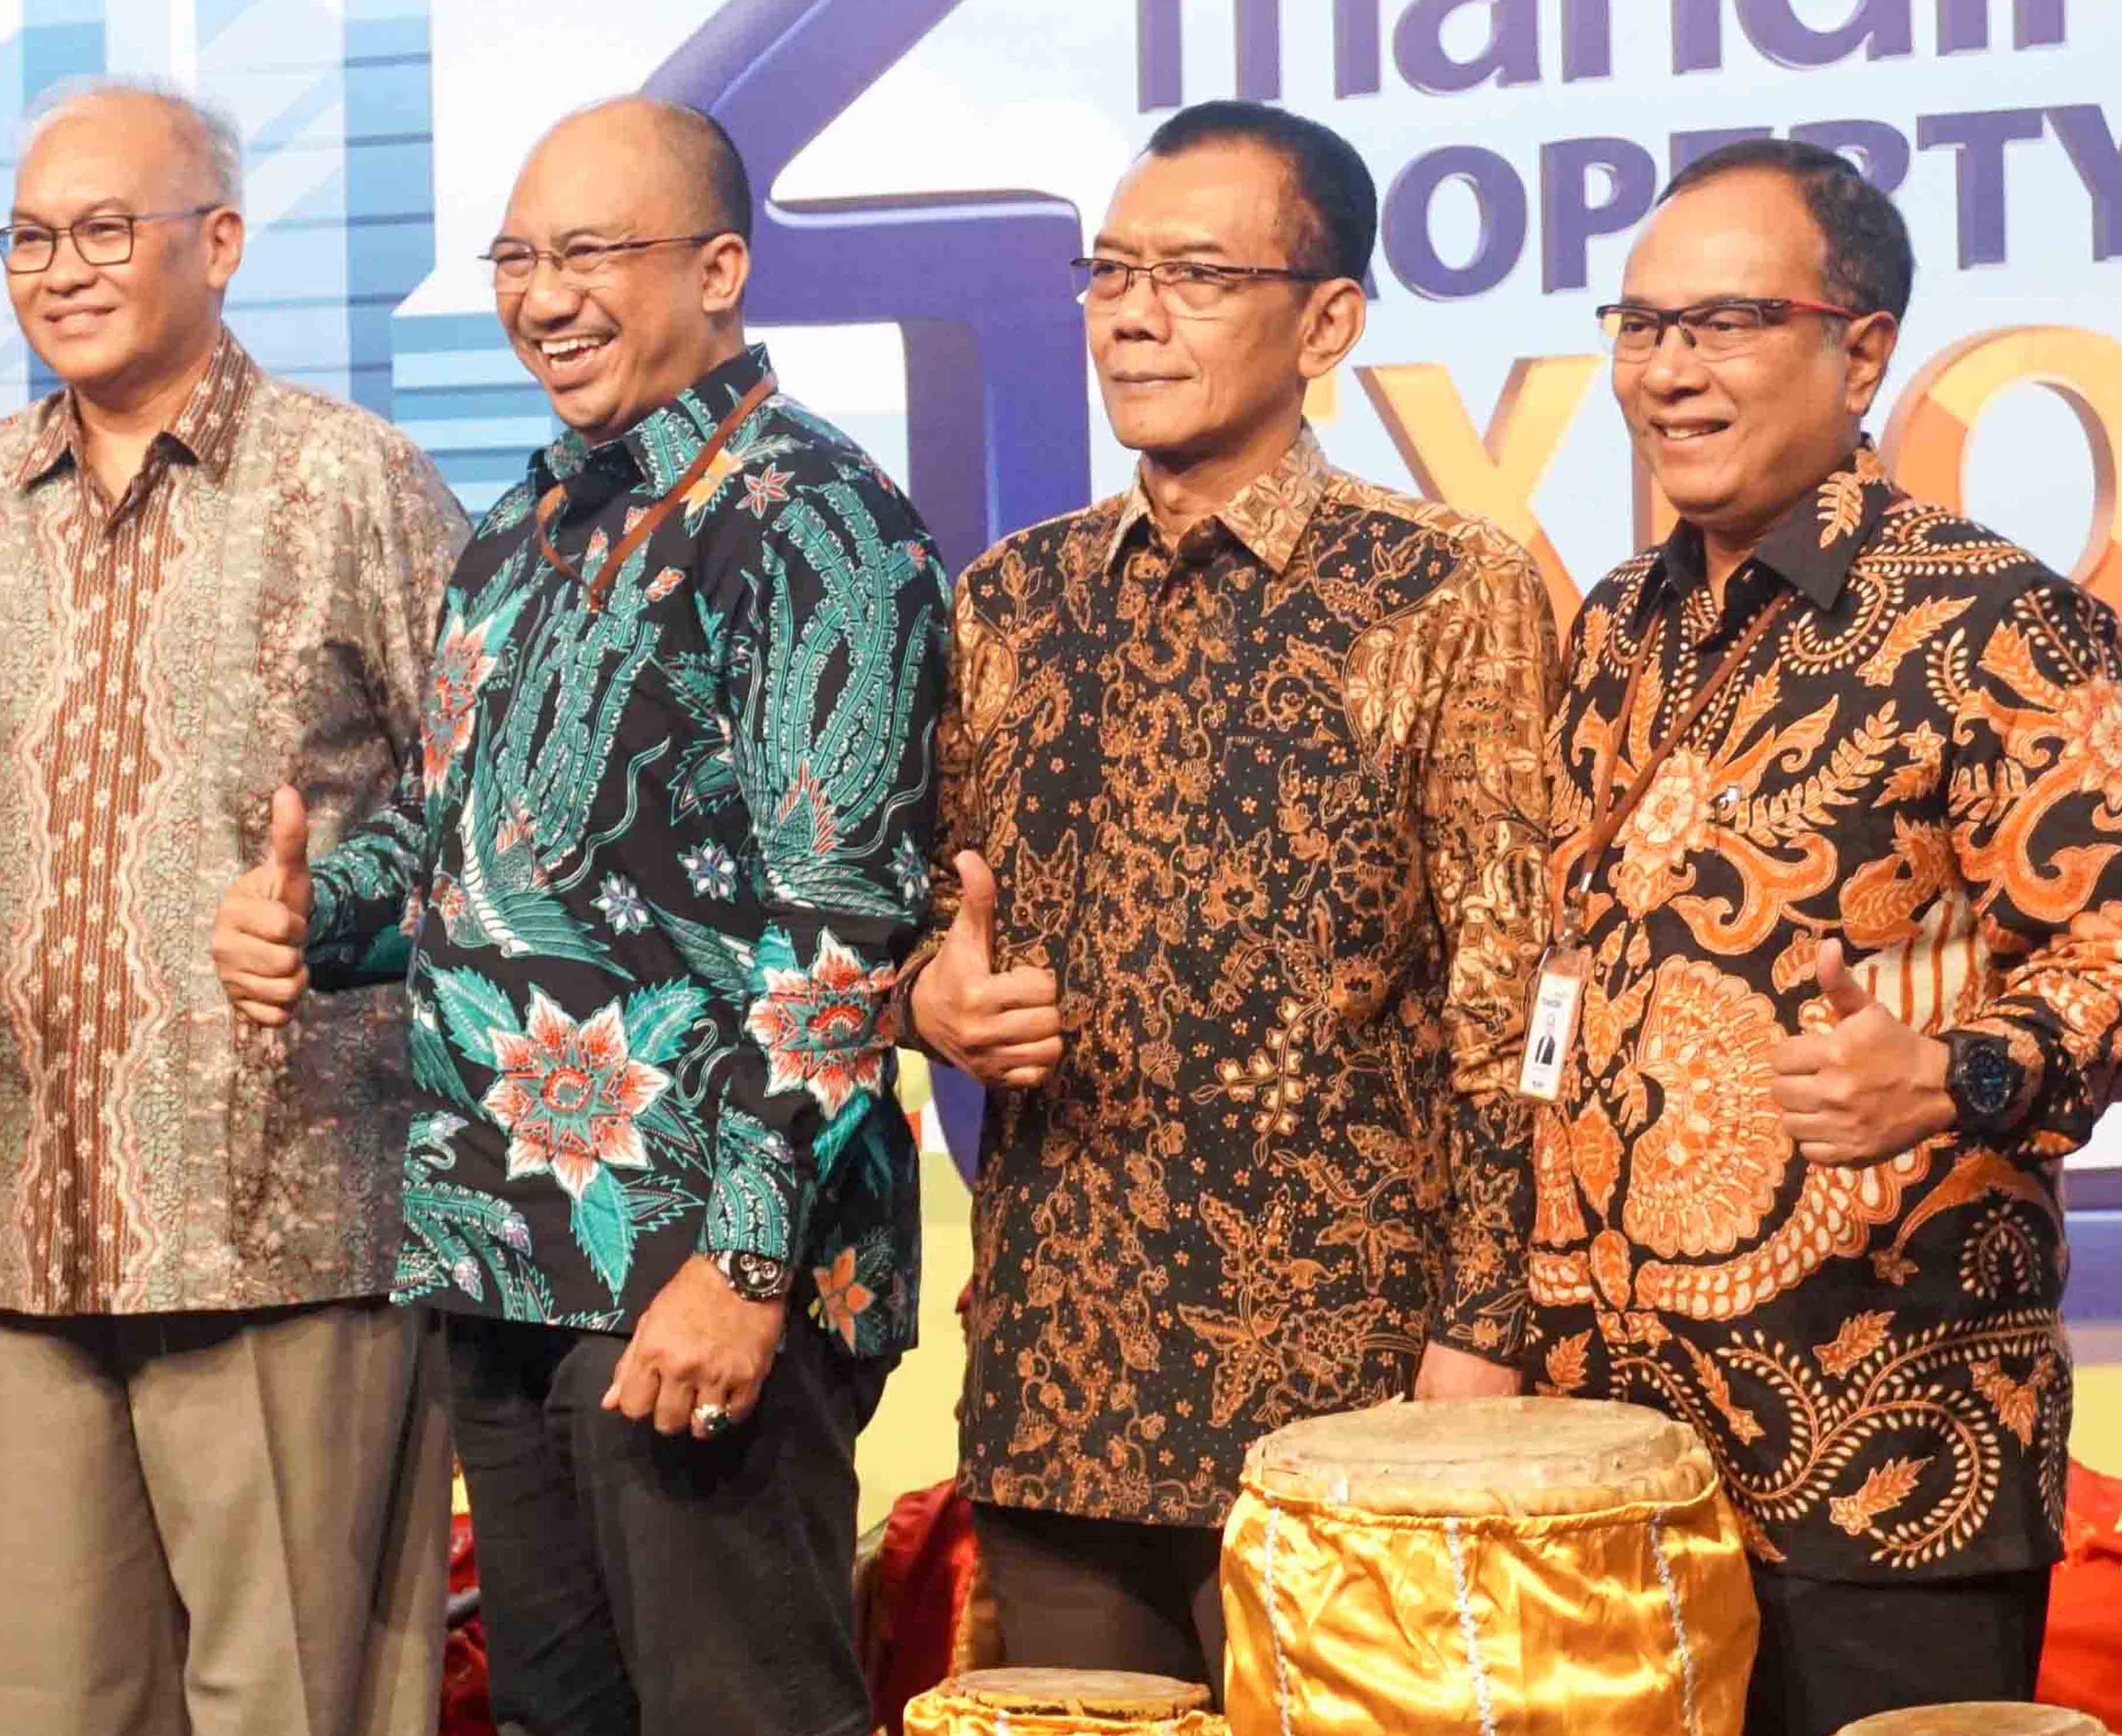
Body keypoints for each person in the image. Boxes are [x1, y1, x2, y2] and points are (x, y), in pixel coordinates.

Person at [214, 97, 948, 1736]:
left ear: (721, 269)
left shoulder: (814, 518)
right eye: (516, 258)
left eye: (592, 253)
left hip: (702, 1263)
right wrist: (315, 914)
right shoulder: (522, 528)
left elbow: (840, 928)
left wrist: (743, 1264)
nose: (544, 296)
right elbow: (462, 845)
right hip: (504, 1253)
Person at [0, 85, 465, 1736]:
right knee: (47, 1710)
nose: (60, 268)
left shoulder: (350, 481)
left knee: (295, 1707)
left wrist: (338, 914)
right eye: (30, 236)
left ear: (219, 243)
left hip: (281, 1228)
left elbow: (488, 800)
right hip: (23, 1231)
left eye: (105, 229)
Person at [899, 101, 1555, 1687]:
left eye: (1195, 275)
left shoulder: (1446, 589)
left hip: (1352, 1392)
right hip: (1063, 1376)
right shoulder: (1015, 597)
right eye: (1111, 271)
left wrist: (1485, 1327)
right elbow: (917, 913)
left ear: (1327, 322)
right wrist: (932, 998)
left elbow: (1516, 984)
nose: (1133, 315)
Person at [1526, 137, 2122, 1736]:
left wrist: (1952, 1073)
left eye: (1725, 323)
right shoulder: (1615, 625)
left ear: (1862, 351)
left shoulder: (1993, 620)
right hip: (1603, 1463)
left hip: (1885, 1462)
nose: (1669, 370)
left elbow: (2112, 949)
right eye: (1642, 325)